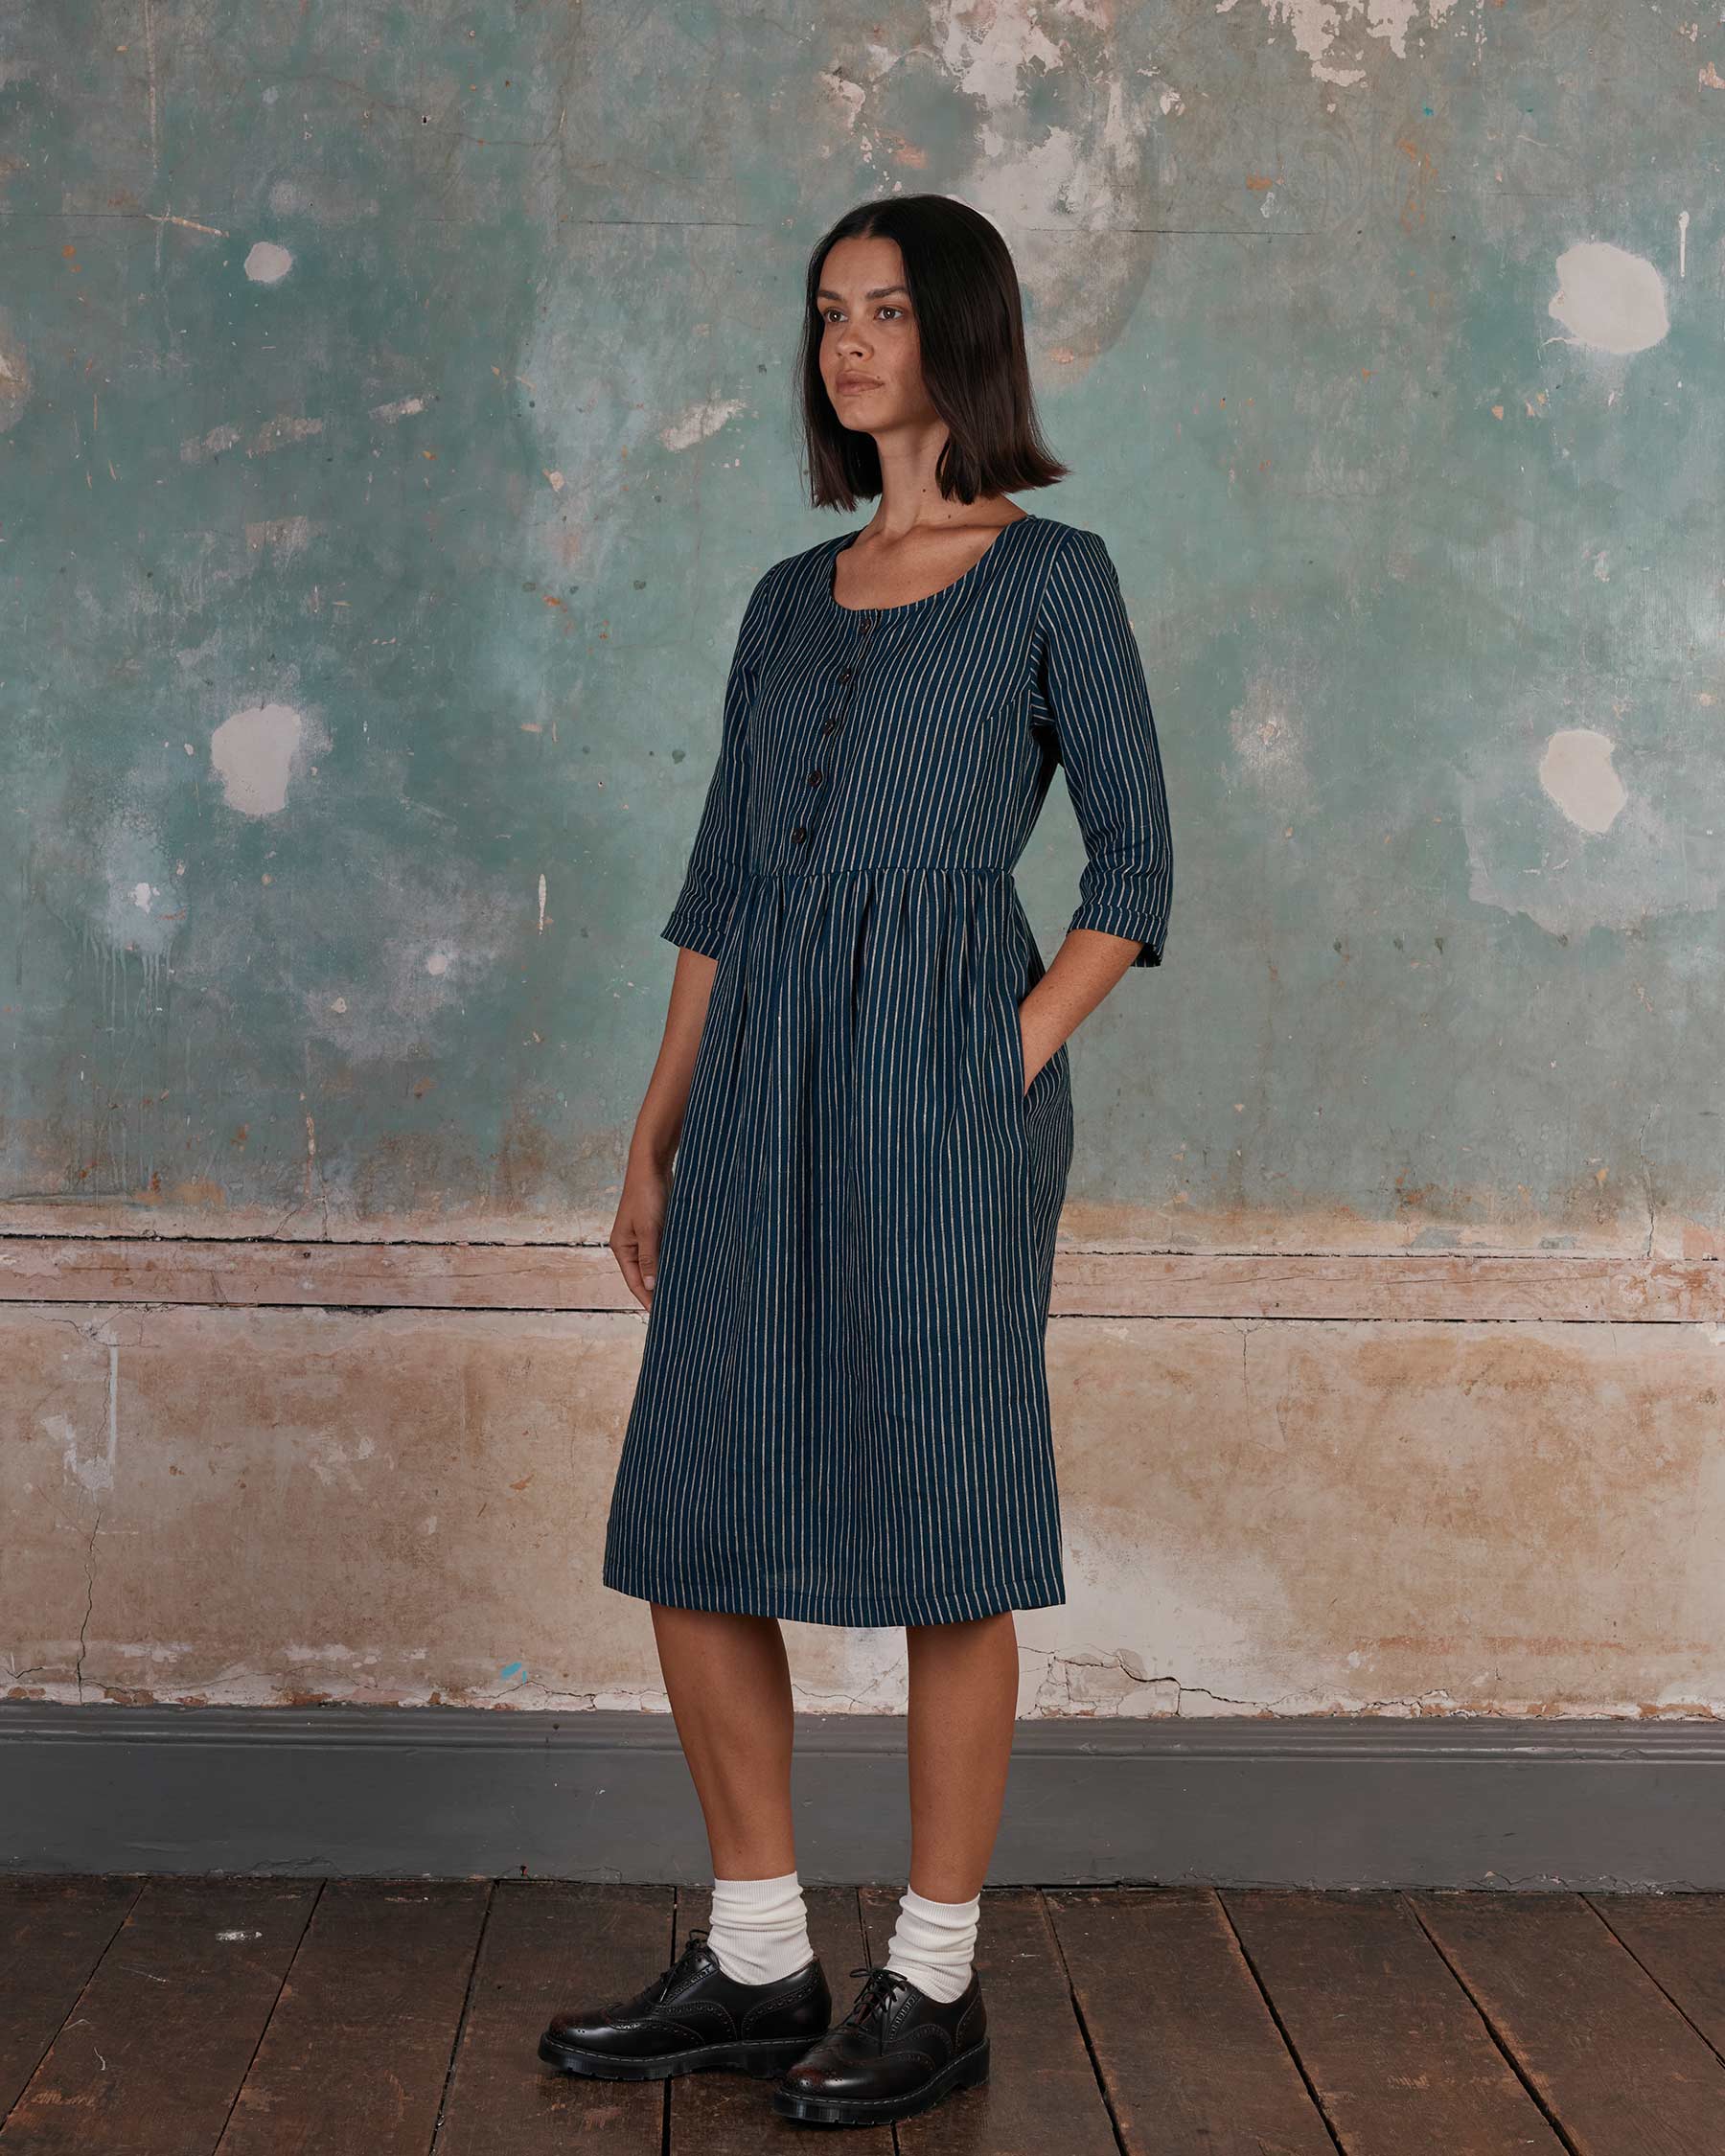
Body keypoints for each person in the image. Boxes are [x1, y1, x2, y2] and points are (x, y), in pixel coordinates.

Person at [540, 192, 1173, 2127]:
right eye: (829, 312)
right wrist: (656, 1135)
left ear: (960, 334)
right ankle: (754, 1955)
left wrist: (1000, 1057)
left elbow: (1133, 877)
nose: (849, 341)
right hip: (754, 1088)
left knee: (945, 1517)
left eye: (886, 310)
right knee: (695, 1509)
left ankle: (936, 1980)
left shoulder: (1054, 575)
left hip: (942, 1083)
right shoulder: (778, 601)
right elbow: (722, 894)